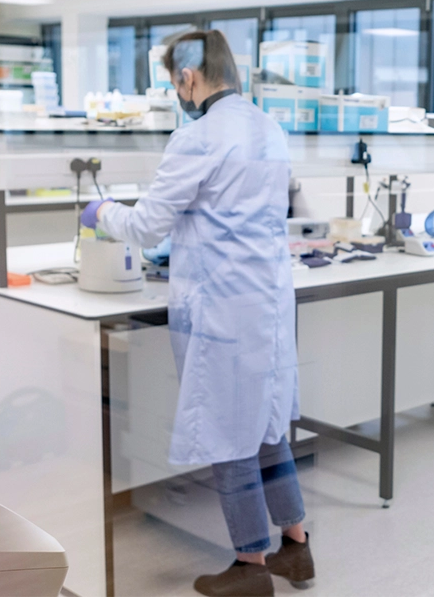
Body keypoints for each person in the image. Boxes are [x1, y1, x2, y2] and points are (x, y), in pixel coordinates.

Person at [81, 29, 314, 597]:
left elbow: (144, 225)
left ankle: (249, 568)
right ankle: (296, 550)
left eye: (173, 82)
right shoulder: (269, 127)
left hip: (222, 309)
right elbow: (231, 212)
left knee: (227, 432)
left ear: (187, 77)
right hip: (267, 303)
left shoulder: (197, 137)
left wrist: (97, 209)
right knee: (266, 426)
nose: (176, 94)